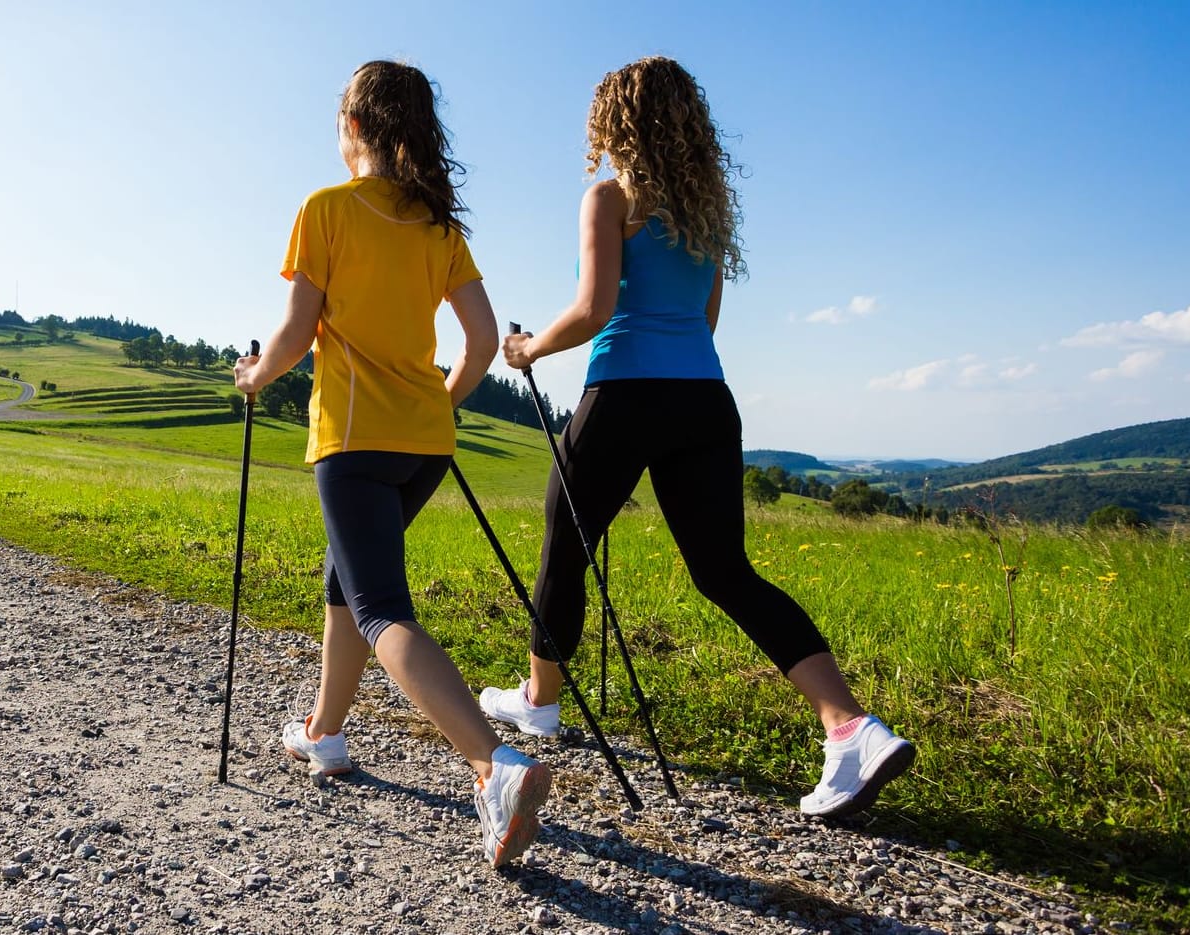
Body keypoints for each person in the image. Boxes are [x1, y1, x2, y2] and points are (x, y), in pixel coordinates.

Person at [479, 57, 914, 818]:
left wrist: (528, 351)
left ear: (615, 123)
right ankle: (850, 726)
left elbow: (592, 307)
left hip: (623, 392)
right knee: (726, 572)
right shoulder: (705, 213)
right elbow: (705, 318)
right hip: (706, 399)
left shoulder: (609, 198)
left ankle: (539, 702)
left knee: (562, 544)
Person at [233, 60, 551, 866]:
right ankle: (325, 733)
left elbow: (298, 332)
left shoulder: (325, 209)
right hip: (425, 443)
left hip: (352, 439)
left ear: (356, 126)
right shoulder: (441, 227)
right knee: (345, 581)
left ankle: (495, 766)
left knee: (379, 607)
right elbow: (481, 343)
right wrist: (442, 399)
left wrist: (254, 375)